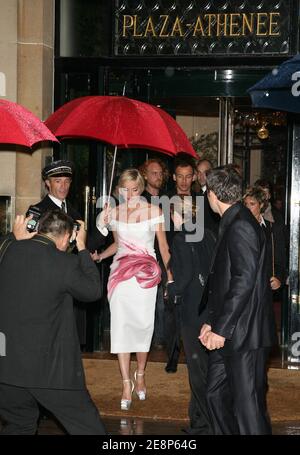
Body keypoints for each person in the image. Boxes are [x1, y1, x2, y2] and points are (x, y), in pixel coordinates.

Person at [0, 210, 106, 435]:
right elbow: (93, 290)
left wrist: (12, 236)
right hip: (49, 371)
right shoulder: (65, 263)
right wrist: (83, 249)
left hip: (6, 370)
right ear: (66, 237)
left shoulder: (8, 250)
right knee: (89, 429)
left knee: (19, 426)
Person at [199, 166, 277, 435]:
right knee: (214, 396)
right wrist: (212, 322)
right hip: (230, 329)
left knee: (248, 410)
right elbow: (224, 281)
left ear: (212, 194)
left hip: (244, 334)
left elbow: (244, 281)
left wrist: (221, 328)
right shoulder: (233, 220)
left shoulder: (241, 224)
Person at [92, 169, 171, 411]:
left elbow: (164, 249)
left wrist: (171, 278)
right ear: (119, 189)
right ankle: (126, 383)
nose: (129, 195)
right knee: (121, 328)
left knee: (143, 327)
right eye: (124, 190)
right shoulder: (113, 213)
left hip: (146, 276)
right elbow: (117, 244)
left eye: (134, 190)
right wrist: (100, 255)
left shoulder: (155, 212)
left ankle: (141, 374)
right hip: (120, 277)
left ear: (142, 189)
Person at [167, 196, 216, 435]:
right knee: (204, 367)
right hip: (209, 310)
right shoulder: (207, 234)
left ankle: (207, 426)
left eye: (171, 214)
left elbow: (183, 279)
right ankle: (198, 421)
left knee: (198, 373)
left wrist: (168, 288)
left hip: (191, 312)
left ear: (178, 215)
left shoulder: (180, 239)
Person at [139, 158, 169, 349]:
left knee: (164, 301)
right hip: (146, 257)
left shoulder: (168, 198)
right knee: (150, 301)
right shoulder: (140, 200)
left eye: (160, 173)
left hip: (165, 254)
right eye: (154, 173)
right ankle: (149, 339)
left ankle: (161, 339)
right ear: (145, 175)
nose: (158, 177)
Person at [243, 186, 287, 292]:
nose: (248, 208)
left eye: (252, 204)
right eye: (245, 204)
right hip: (245, 285)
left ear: (261, 205)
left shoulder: (272, 228)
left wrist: (279, 278)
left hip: (266, 286)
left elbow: (280, 257)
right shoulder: (239, 227)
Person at [196, 159, 220, 235]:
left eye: (205, 173)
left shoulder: (215, 194)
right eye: (199, 172)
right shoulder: (198, 193)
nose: (201, 176)